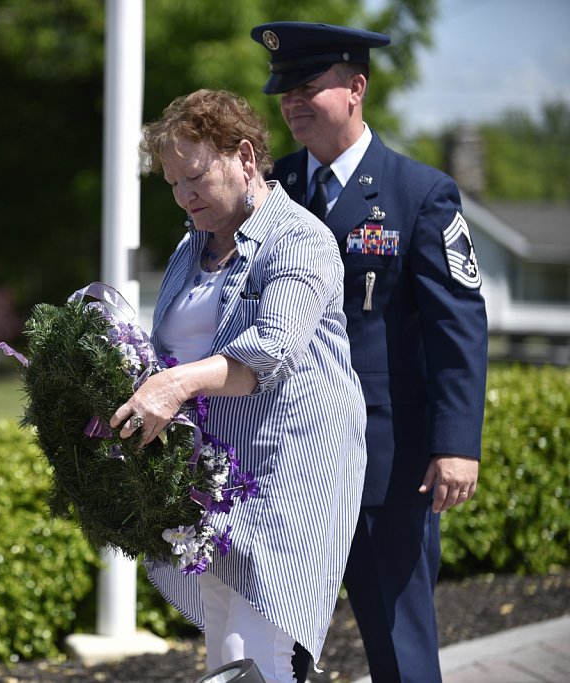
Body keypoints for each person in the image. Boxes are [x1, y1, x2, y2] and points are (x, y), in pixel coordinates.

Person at [250, 21, 489, 683]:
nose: (292, 102)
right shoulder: (271, 190)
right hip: (288, 462)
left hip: (388, 466)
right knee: (277, 652)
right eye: (283, 91)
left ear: (356, 87)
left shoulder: (420, 193)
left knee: (399, 649)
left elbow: (458, 327)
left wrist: (456, 443)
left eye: (307, 87)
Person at [109, 89, 367, 683]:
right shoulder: (190, 246)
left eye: (195, 176)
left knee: (262, 653)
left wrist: (173, 385)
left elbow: (268, 354)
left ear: (245, 156)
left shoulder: (298, 239)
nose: (184, 195)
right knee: (227, 651)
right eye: (172, 182)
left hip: (285, 477)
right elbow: (166, 346)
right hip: (214, 480)